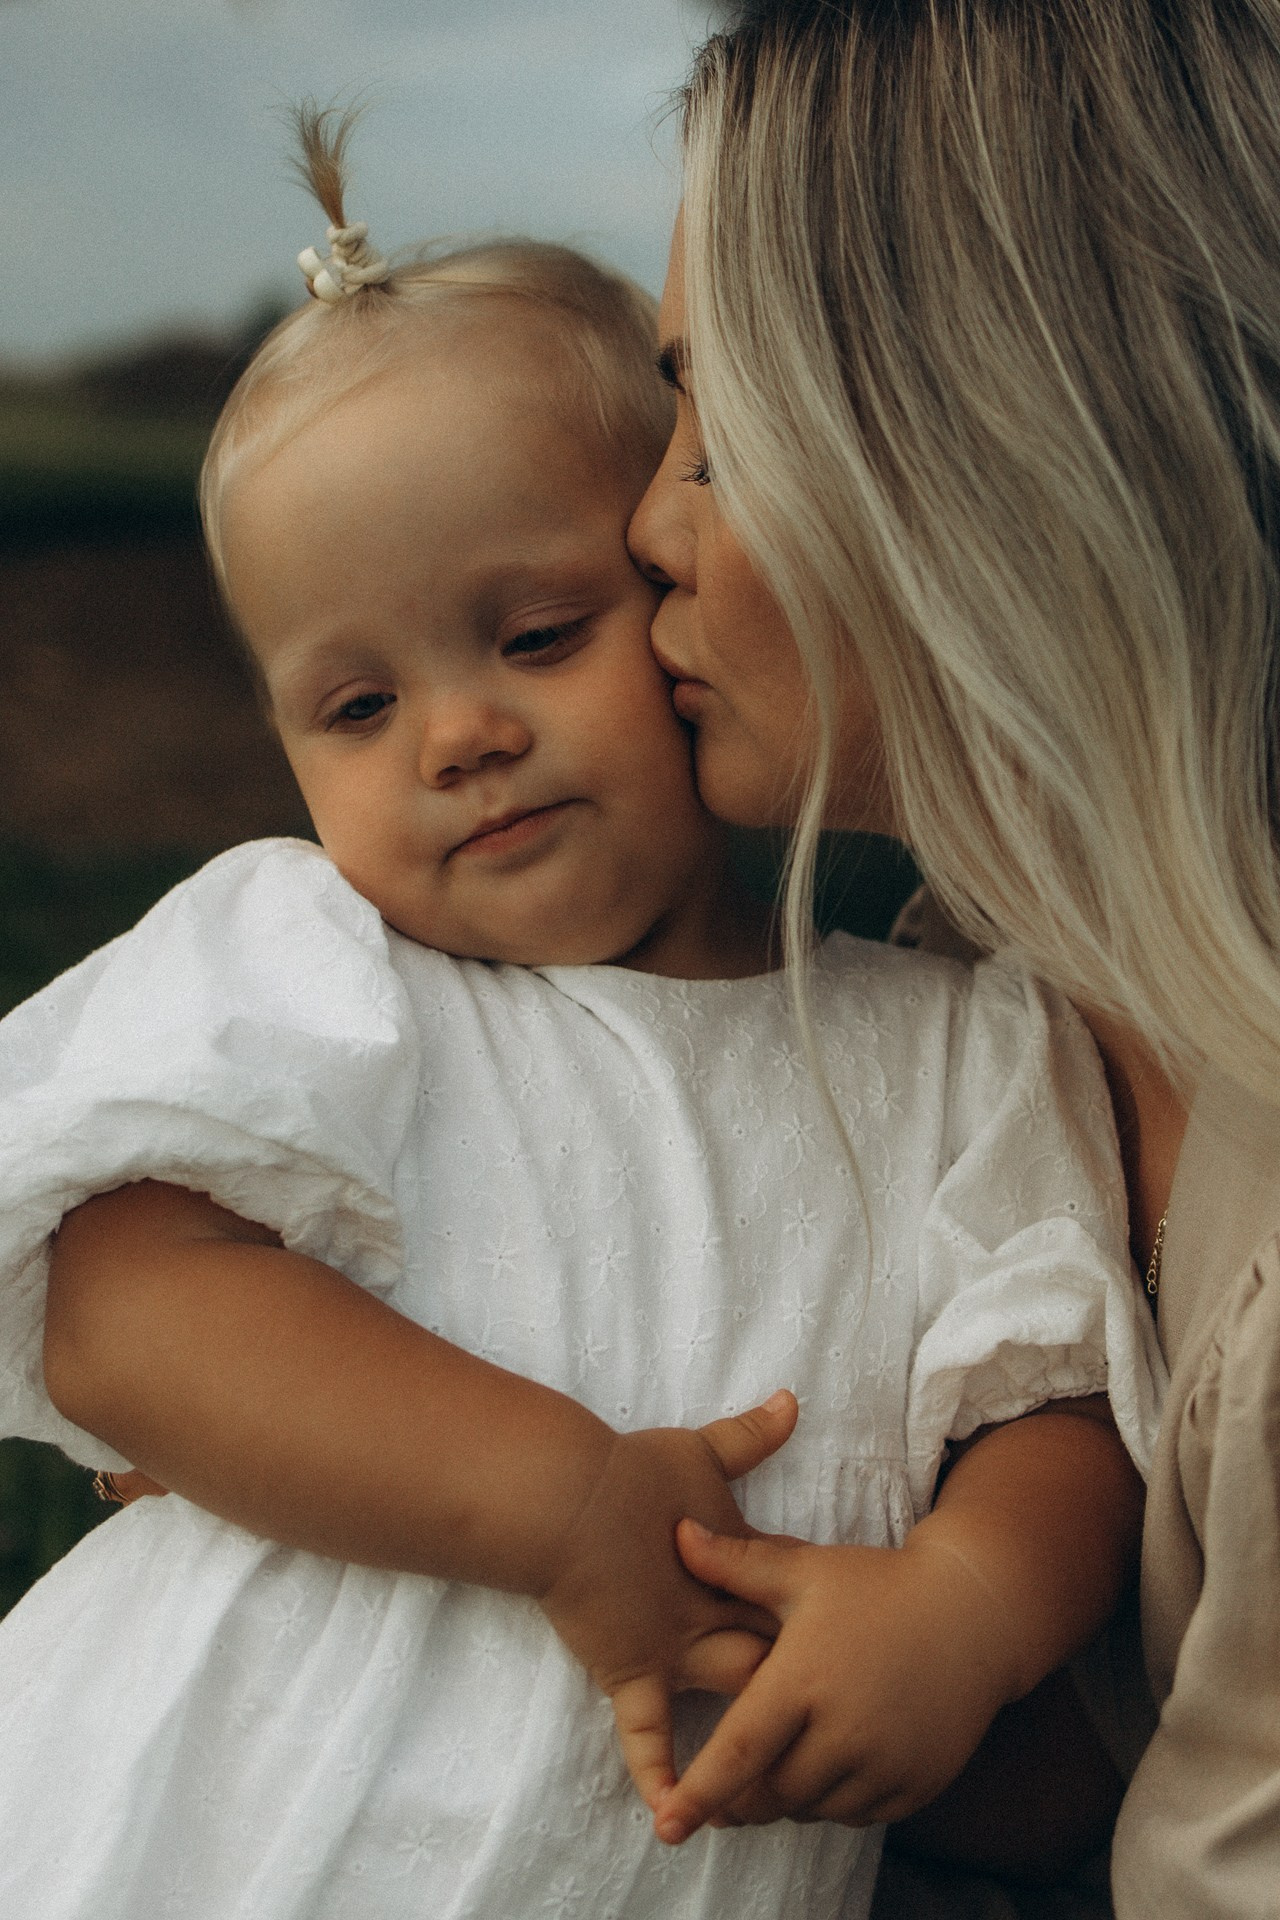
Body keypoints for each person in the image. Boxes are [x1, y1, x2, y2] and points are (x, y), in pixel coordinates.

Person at [0, 111, 1159, 1920]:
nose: (459, 734)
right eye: (357, 708)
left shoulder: (957, 1045)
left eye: (537, 635)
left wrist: (969, 1604)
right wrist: (558, 1504)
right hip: (226, 1833)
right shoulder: (319, 968)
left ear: (675, 592)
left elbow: (1056, 1397)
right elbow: (120, 1312)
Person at [624, 3, 1280, 1914]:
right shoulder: (978, 967)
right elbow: (1087, 1766)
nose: (645, 525)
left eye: (720, 438)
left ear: (989, 463)